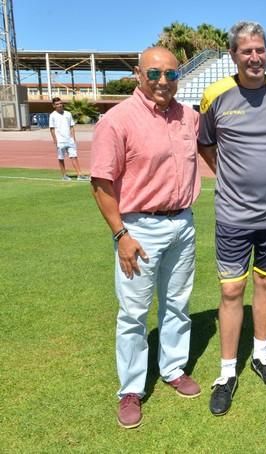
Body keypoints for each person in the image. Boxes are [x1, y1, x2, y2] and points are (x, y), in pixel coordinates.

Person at [90, 47, 202, 429]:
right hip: (139, 228)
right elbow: (101, 183)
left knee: (177, 303)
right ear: (138, 74)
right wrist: (121, 234)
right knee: (134, 313)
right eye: (154, 74)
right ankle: (131, 389)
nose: (163, 82)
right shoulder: (118, 120)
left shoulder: (188, 117)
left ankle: (173, 369)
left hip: (183, 224)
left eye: (171, 75)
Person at [198, 21, 266, 417]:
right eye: (246, 51)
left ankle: (260, 354)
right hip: (233, 216)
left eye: (260, 49)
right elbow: (206, 145)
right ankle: (226, 373)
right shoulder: (215, 94)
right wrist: (231, 178)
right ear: (233, 55)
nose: (254, 57)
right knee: (230, 292)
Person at [49, 97, 88, 181]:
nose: (59, 105)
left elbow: (71, 127)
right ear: (54, 106)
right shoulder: (52, 115)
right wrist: (55, 140)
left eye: (60, 103)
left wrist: (73, 138)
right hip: (60, 141)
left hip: (69, 140)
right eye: (57, 104)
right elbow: (52, 129)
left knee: (74, 156)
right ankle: (64, 175)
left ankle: (79, 175)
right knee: (61, 158)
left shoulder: (68, 114)